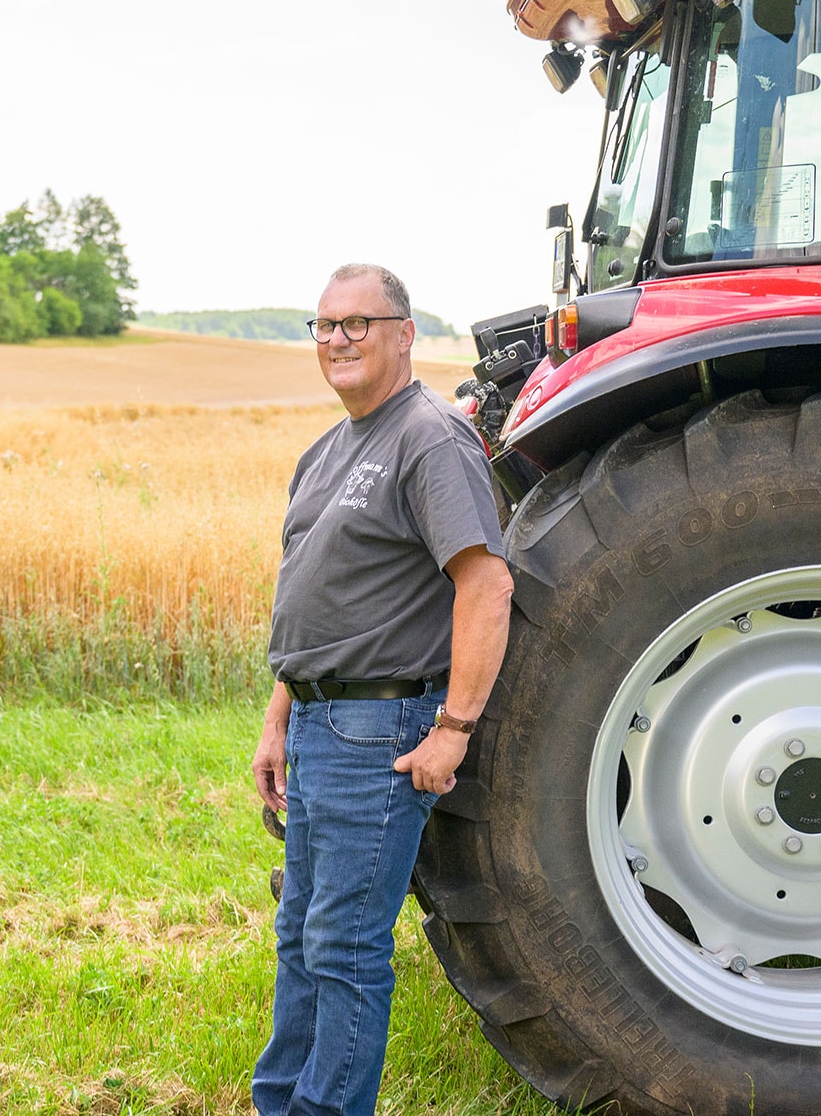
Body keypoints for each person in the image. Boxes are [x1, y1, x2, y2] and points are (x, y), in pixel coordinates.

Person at [249, 263, 514, 1116]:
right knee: (299, 935)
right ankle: (280, 1101)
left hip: (383, 727)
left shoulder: (429, 437)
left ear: (405, 334)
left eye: (359, 324)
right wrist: (279, 722)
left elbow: (485, 585)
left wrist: (455, 729)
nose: (338, 340)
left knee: (345, 944)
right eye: (325, 326)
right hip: (320, 721)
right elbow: (317, 604)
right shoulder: (327, 450)